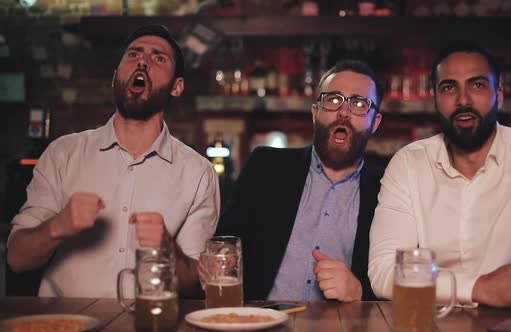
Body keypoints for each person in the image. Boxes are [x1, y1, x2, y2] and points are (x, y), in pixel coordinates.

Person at [368, 41, 511, 307]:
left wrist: (508, 292)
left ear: (499, 93)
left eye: (477, 85)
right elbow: (383, 272)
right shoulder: (408, 164)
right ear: (435, 98)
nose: (463, 100)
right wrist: (478, 288)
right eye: (449, 87)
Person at [7, 24, 220, 298]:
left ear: (177, 87)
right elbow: (16, 259)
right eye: (134, 55)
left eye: (158, 58)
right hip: (65, 324)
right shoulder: (63, 153)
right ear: (115, 77)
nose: (142, 61)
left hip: (151, 323)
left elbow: (193, 281)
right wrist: (57, 226)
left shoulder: (198, 172)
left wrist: (168, 250)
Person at [211, 59, 383, 302]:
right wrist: (220, 260)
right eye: (333, 99)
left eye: (359, 104)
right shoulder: (265, 167)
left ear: (375, 122)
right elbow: (225, 244)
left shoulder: (385, 196)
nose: (344, 112)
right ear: (315, 112)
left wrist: (359, 291)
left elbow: (395, 280)